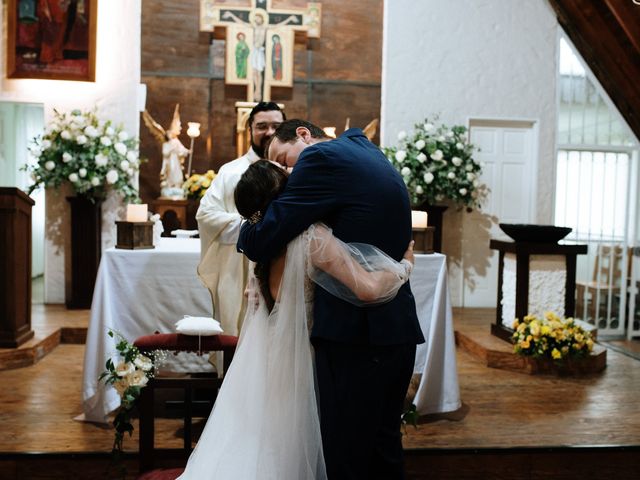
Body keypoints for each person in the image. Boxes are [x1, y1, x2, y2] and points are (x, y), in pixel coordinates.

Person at [178, 160, 415, 479]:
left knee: (267, 440)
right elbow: (370, 289)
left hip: (269, 356)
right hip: (309, 358)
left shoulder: (258, 243)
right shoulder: (310, 236)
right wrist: (405, 265)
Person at [238, 119, 425, 479]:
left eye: (285, 158)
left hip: (357, 335)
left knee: (346, 452)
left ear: (305, 136)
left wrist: (249, 224)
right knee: (384, 447)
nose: (290, 171)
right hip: (395, 328)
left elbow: (262, 238)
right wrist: (404, 266)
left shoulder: (320, 157)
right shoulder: (369, 152)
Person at [196, 102, 285, 336]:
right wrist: (254, 226)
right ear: (250, 131)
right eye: (262, 126)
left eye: (276, 126)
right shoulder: (231, 172)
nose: (269, 132)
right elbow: (205, 215)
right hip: (237, 272)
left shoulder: (293, 169)